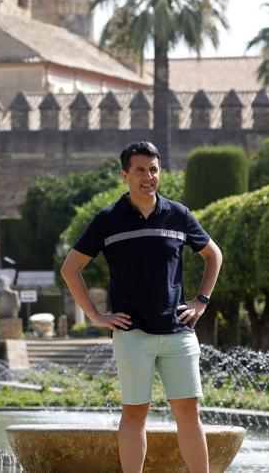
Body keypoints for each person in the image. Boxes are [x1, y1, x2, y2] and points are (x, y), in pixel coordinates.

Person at [60, 141, 223, 473]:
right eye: (140, 170)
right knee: (135, 414)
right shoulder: (108, 219)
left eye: (154, 169)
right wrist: (95, 315)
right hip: (132, 334)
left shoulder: (179, 214)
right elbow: (70, 268)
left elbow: (213, 255)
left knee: (189, 412)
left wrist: (201, 301)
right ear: (125, 175)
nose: (148, 177)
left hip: (178, 332)